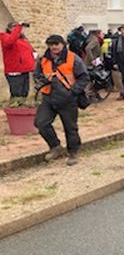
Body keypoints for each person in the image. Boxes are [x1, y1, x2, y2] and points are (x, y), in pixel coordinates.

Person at [34, 35, 89, 165]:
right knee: (41, 123)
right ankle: (55, 147)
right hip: (48, 97)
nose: (54, 47)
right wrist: (42, 80)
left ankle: (73, 153)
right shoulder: (43, 59)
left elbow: (84, 77)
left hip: (67, 99)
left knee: (70, 128)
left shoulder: (73, 58)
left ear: (63, 44)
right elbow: (37, 74)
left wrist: (73, 92)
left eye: (56, 44)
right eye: (51, 44)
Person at [0, 22, 35, 101]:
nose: (18, 29)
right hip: (14, 71)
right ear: (9, 29)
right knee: (17, 96)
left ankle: (20, 111)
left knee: (24, 95)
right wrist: (18, 27)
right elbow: (9, 41)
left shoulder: (22, 40)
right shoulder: (5, 36)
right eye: (14, 27)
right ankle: (13, 111)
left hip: (25, 71)